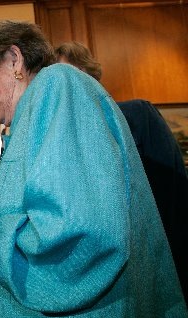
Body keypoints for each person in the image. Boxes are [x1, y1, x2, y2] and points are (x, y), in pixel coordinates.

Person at [0, 20, 188, 318]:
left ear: (14, 59)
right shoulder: (38, 108)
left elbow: (79, 232)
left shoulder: (56, 84)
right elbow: (57, 207)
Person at [55, 41, 188, 300]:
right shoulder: (63, 137)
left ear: (89, 74)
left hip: (158, 254)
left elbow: (173, 191)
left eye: (68, 75)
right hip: (104, 270)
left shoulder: (138, 115)